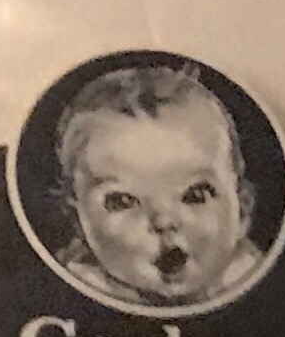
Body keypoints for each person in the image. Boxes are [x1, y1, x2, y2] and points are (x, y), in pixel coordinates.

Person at [44, 60, 261, 313]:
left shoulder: (258, 283)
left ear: (242, 210)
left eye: (195, 195)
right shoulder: (69, 295)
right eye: (123, 201)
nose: (163, 221)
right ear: (78, 222)